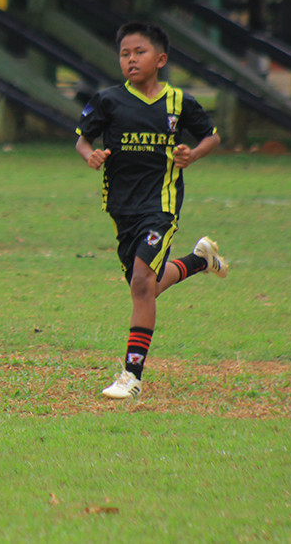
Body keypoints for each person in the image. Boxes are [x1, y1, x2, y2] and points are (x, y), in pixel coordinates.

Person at [75, 22, 229, 399]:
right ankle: (198, 261)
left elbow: (212, 136)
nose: (131, 59)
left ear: (160, 59)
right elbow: (82, 139)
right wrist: (90, 155)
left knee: (142, 282)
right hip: (121, 208)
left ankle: (131, 376)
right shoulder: (108, 100)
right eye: (125, 53)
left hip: (160, 206)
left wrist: (191, 154)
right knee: (146, 287)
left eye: (139, 52)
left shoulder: (179, 102)